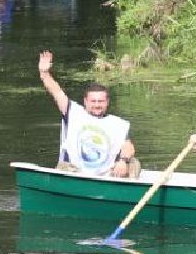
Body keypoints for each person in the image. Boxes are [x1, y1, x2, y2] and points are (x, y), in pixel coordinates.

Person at [38, 50, 138, 178]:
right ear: (85, 101)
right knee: (65, 168)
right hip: (73, 173)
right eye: (93, 101)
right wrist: (44, 73)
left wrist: (123, 161)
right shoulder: (73, 112)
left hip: (105, 177)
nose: (97, 105)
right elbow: (56, 92)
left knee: (134, 164)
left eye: (101, 101)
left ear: (107, 102)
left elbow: (128, 146)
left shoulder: (117, 124)